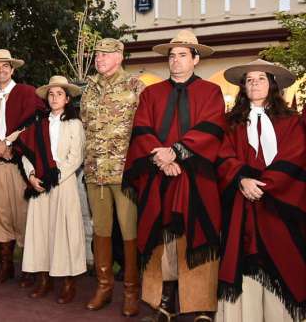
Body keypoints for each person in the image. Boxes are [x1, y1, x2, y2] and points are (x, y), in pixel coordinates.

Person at [123, 30, 225, 322]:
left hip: (197, 177)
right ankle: (163, 302)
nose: (175, 60)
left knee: (198, 235)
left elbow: (213, 127)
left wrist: (177, 152)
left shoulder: (211, 92)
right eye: (171, 55)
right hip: (159, 177)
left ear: (195, 59)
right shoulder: (152, 93)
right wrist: (161, 158)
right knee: (161, 240)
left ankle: (201, 306)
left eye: (182, 55)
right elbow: (141, 129)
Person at [215, 59, 306, 322]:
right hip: (240, 205)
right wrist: (242, 179)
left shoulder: (292, 122)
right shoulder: (230, 123)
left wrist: (266, 186)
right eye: (249, 80)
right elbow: (222, 156)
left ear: (273, 84)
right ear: (243, 87)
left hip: (279, 205)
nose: (254, 83)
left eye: (261, 79)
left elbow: (296, 155)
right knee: (241, 263)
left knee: (284, 260)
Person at [80, 38, 145, 316]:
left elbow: (145, 129)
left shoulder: (135, 86)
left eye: (105, 54)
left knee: (130, 233)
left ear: (120, 56)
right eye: (97, 54)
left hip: (124, 173)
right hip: (96, 173)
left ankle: (131, 290)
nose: (99, 58)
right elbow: (84, 124)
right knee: (101, 231)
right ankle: (104, 287)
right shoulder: (89, 89)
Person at [15, 76, 86, 304]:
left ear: (67, 99)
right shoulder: (38, 125)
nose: (55, 98)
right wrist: (32, 176)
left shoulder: (74, 124)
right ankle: (43, 279)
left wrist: (54, 177)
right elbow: (26, 154)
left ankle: (68, 282)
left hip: (63, 185)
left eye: (59, 94)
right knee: (40, 232)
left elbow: (76, 157)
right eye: (51, 94)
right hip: (40, 186)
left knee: (64, 233)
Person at [0, 49, 45, 287]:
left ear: (12, 69)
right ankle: (6, 265)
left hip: (20, 163)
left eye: (5, 66)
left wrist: (9, 143)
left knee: (24, 214)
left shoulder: (27, 93)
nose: (0, 70)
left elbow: (35, 123)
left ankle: (29, 268)